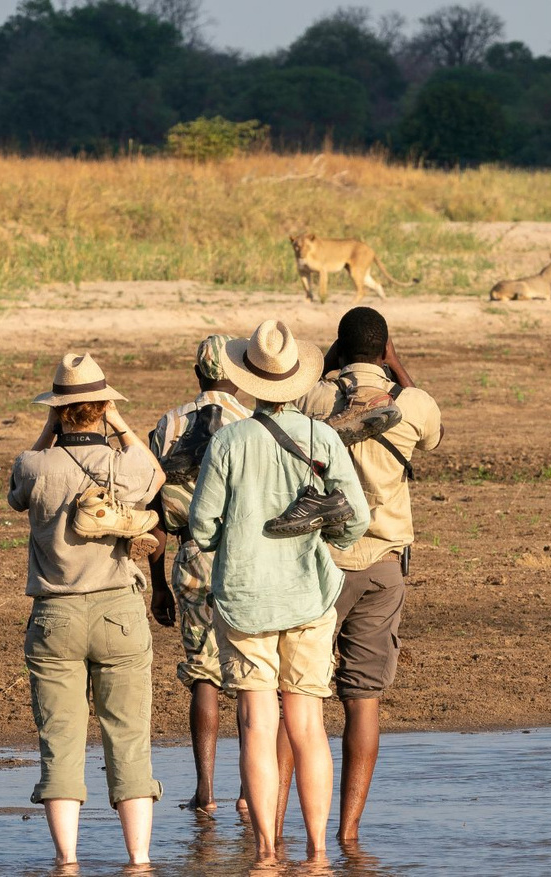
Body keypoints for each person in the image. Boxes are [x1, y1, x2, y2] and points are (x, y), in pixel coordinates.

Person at [188, 320, 370, 861]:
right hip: (309, 596)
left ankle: (266, 852)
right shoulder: (324, 437)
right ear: (298, 379)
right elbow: (355, 521)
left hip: (244, 598)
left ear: (250, 380)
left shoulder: (227, 441)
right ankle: (317, 855)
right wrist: (324, 529)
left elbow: (201, 529)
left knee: (257, 725)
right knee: (308, 726)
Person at [7, 352, 165, 867]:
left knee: (60, 743)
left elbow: (17, 492)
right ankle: (139, 860)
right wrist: (117, 422)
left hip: (55, 614)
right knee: (129, 742)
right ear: (102, 407)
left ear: (57, 410)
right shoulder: (123, 465)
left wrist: (48, 430)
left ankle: (67, 861)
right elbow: (154, 471)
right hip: (118, 609)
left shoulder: (35, 465)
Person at [298, 306, 443, 843]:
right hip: (384, 564)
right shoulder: (412, 403)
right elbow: (435, 434)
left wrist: (329, 369)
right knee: (363, 700)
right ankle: (348, 833)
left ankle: (288, 829)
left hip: (322, 565)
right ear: (385, 349)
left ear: (338, 348)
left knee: (302, 695)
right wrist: (398, 367)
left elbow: (295, 411)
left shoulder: (315, 398)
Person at [147, 335, 254, 814]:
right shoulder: (251, 424)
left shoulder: (168, 425)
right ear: (239, 374)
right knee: (253, 673)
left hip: (190, 555)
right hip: (244, 557)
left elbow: (152, 512)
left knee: (203, 676)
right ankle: (252, 792)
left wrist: (156, 585)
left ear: (197, 375)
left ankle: (205, 791)